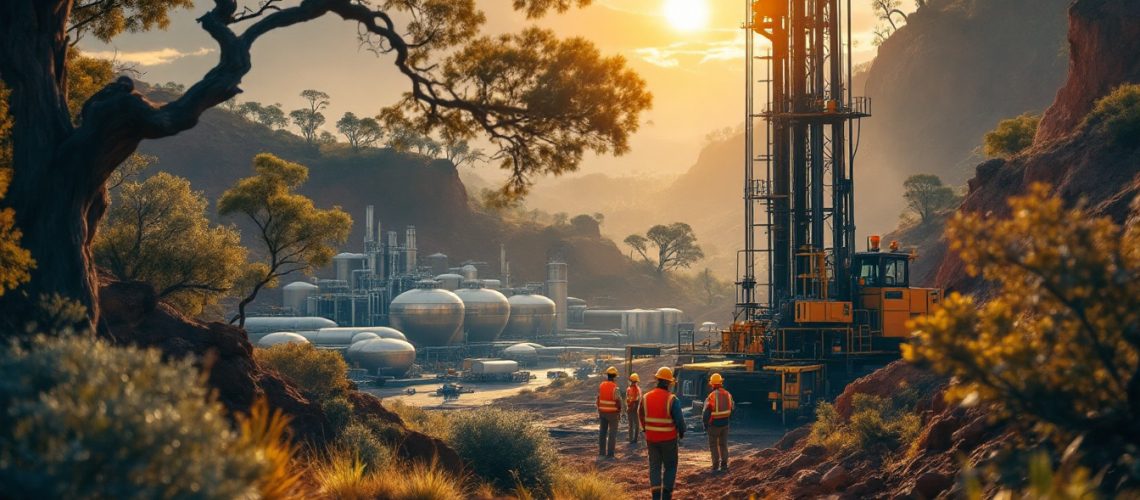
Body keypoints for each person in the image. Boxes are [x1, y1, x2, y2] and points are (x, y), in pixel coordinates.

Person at [639, 367, 685, 500]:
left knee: (654, 467)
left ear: (657, 380)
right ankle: (666, 496)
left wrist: (645, 429)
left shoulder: (646, 397)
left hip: (651, 439)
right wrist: (681, 432)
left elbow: (640, 414)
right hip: (668, 439)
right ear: (669, 383)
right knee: (670, 467)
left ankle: (655, 497)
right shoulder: (672, 399)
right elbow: (679, 420)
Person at [702, 372, 735, 473]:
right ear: (721, 383)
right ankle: (724, 465)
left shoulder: (711, 396)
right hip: (725, 424)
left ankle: (715, 466)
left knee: (713, 445)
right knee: (723, 444)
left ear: (712, 384)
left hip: (714, 425)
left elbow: (706, 413)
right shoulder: (728, 394)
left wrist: (705, 425)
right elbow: (732, 408)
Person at [596, 365, 622, 458]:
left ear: (607, 375)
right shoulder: (615, 387)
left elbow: (598, 399)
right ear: (615, 376)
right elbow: (618, 401)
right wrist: (619, 411)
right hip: (612, 414)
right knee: (612, 433)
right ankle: (610, 454)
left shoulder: (601, 385)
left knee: (602, 432)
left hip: (602, 412)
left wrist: (599, 409)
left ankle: (601, 453)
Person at [626, 372, 642, 443]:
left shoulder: (628, 389)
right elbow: (638, 399)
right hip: (635, 409)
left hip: (629, 408)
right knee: (636, 424)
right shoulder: (638, 389)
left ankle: (630, 439)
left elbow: (627, 399)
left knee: (631, 425)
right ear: (636, 381)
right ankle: (635, 439)